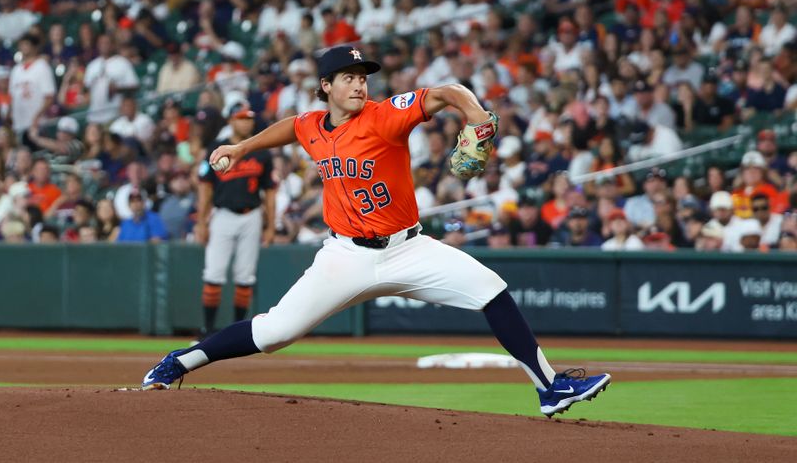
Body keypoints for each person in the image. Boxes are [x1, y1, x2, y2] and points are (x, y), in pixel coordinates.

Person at [142, 45, 610, 417]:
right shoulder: (312, 126)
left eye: (363, 76)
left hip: (409, 247)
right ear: (325, 86)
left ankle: (549, 387)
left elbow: (446, 91)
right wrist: (242, 146)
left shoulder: (385, 115)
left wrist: (476, 116)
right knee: (274, 332)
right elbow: (292, 127)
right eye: (348, 77)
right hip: (345, 257)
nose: (359, 84)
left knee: (490, 289)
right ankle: (183, 360)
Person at [194, 100, 277, 340]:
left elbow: (270, 192)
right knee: (213, 273)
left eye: (249, 117)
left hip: (251, 215)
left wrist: (270, 226)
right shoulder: (217, 147)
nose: (246, 121)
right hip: (222, 215)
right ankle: (207, 332)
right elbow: (205, 188)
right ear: (231, 120)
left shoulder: (261, 151)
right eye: (241, 117)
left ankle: (236, 333)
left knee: (245, 275)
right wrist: (201, 222)